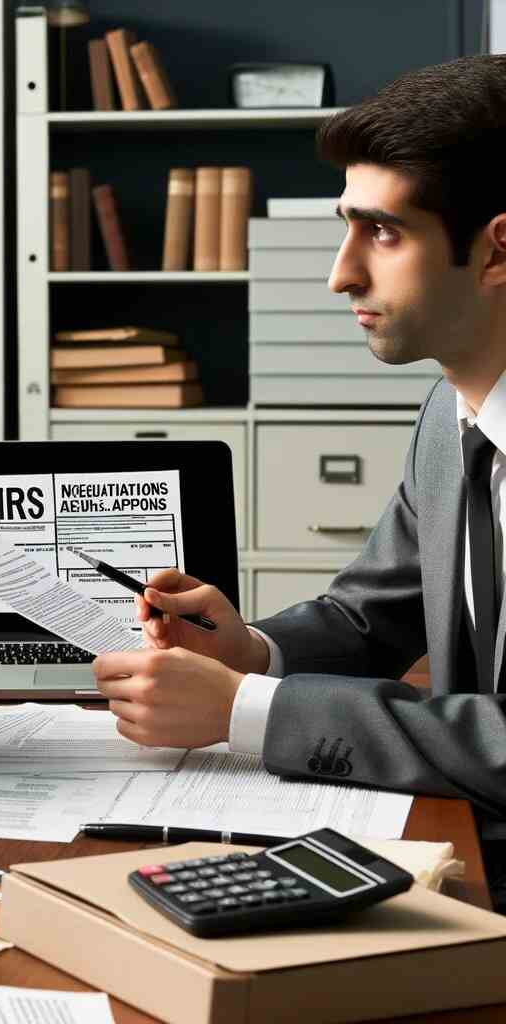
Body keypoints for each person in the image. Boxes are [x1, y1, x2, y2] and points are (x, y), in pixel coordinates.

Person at [93, 55, 506, 849]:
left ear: (496, 252)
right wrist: (249, 652)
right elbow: (367, 617)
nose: (339, 275)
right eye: (345, 227)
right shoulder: (451, 416)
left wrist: (245, 710)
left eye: (383, 232)